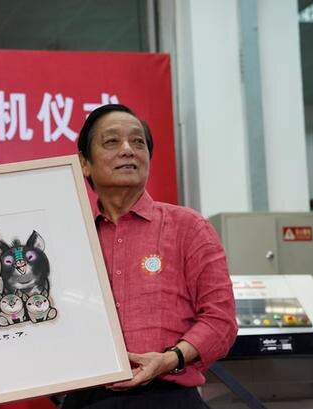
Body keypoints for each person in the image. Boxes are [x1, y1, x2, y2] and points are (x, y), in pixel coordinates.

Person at [62, 104, 238, 409]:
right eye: (112, 141)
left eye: (138, 142)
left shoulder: (189, 227)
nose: (128, 150)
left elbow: (221, 320)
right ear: (84, 164)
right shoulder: (69, 239)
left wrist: (170, 359)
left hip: (168, 397)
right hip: (86, 400)